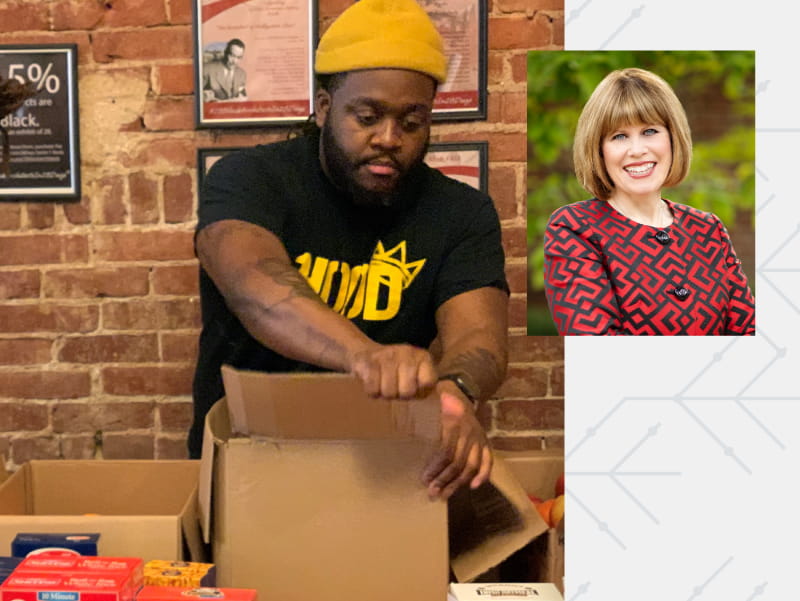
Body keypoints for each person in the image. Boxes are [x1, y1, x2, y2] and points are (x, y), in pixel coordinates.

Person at [189, 0, 509, 503]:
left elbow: (478, 333)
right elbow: (254, 285)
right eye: (367, 116)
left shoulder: (461, 212)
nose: (389, 138)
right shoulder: (250, 180)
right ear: (323, 108)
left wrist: (456, 394)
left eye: (412, 121)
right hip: (246, 467)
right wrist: (364, 355)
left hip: (386, 476)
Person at [543, 67, 755, 335]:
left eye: (650, 131)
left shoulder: (709, 229)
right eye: (619, 136)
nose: (637, 150)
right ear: (598, 149)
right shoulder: (574, 229)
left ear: (673, 138)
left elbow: (749, 333)